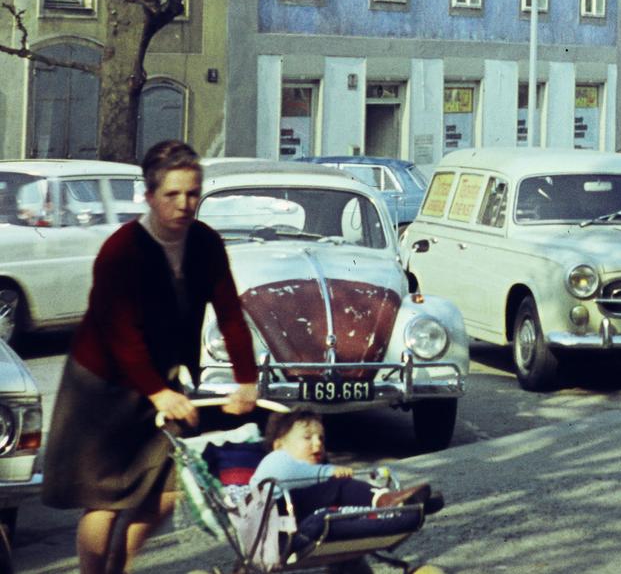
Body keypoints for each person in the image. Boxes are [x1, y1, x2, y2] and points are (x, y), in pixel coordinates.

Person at [40, 140, 259, 574]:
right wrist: (158, 391)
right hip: (101, 388)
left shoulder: (205, 243)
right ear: (149, 196)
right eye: (172, 195)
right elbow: (119, 333)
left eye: (192, 193)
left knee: (168, 488)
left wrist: (246, 379)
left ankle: (120, 567)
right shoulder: (122, 251)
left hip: (160, 381)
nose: (184, 204)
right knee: (102, 499)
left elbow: (230, 313)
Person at [251, 409, 443, 518]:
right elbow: (292, 472)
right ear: (279, 445)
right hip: (277, 520)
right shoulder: (275, 460)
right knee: (338, 486)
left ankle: (401, 506)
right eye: (307, 437)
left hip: (303, 514)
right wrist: (329, 472)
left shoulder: (315, 472)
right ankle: (390, 503)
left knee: (343, 495)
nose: (317, 443)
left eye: (321, 438)